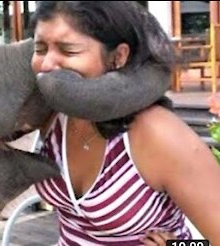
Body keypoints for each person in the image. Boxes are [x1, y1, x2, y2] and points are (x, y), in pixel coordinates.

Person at [30, 1, 220, 245]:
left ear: (118, 56)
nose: (46, 65)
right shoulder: (52, 117)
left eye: (68, 51)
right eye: (40, 48)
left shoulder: (159, 135)